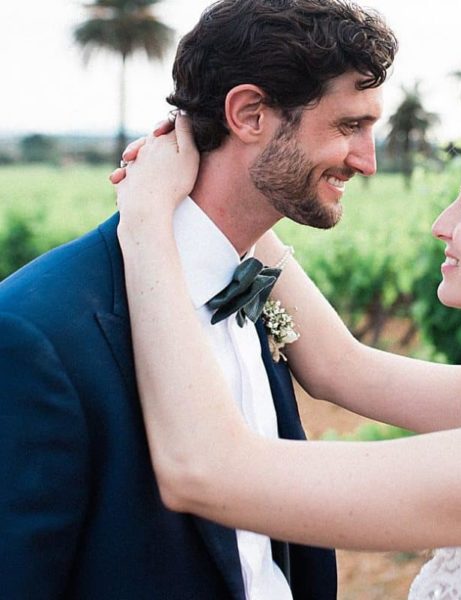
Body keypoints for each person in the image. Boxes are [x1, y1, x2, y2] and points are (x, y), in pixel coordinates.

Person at [0, 0, 397, 598]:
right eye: (349, 127)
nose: (367, 162)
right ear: (249, 113)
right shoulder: (35, 332)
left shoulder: (256, 280)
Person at [115, 117, 461, 599]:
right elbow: (342, 368)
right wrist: (242, 187)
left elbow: (206, 471)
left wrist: (146, 221)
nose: (441, 225)